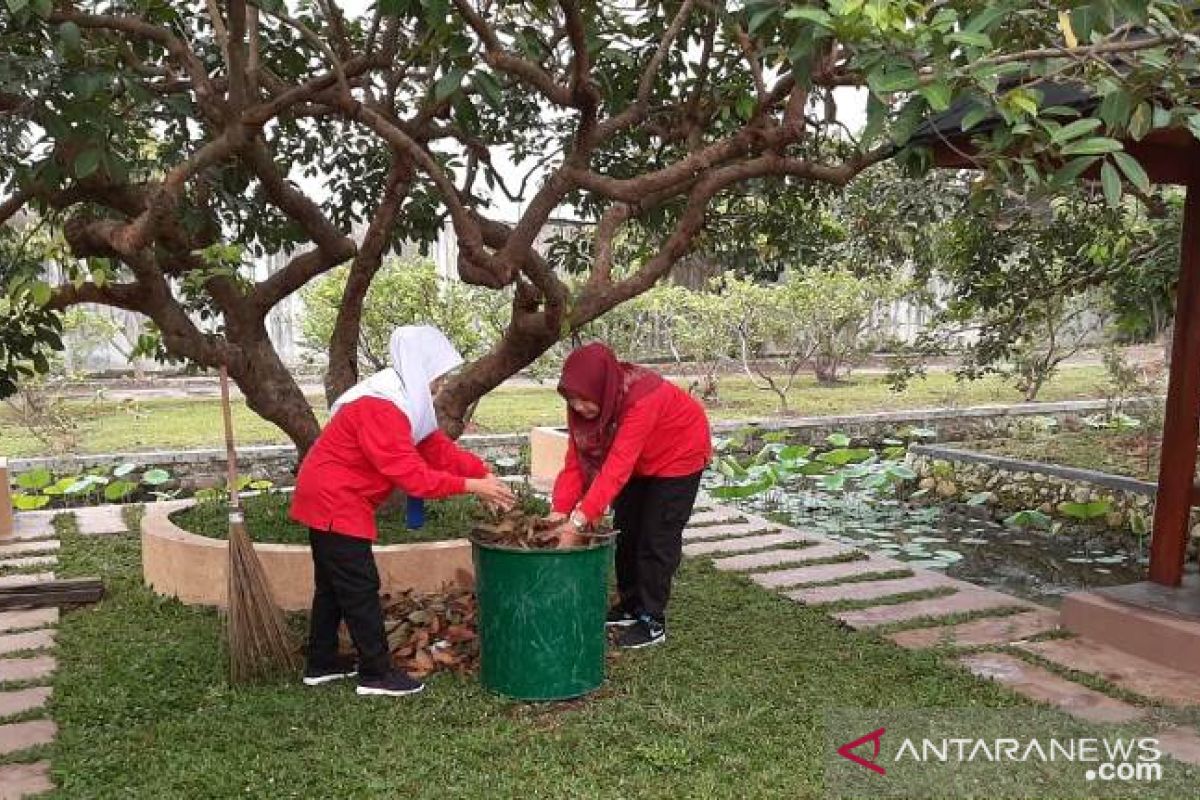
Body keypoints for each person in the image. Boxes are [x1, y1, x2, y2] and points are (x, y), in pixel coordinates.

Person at [290, 325, 515, 697]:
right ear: (419, 367)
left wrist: (482, 473)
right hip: (335, 499)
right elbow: (414, 478)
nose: (440, 385)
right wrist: (471, 487)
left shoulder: (404, 398)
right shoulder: (381, 406)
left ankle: (322, 662)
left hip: (333, 496)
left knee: (333, 586)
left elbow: (436, 450)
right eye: (437, 376)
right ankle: (376, 674)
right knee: (359, 587)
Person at [547, 343, 711, 649]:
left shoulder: (643, 398)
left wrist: (578, 521)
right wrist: (558, 512)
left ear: (603, 388)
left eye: (584, 400)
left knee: (656, 537)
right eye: (572, 400)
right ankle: (630, 605)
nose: (579, 408)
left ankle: (651, 619)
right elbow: (575, 461)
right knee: (628, 530)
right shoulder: (585, 406)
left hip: (679, 453)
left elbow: (617, 467)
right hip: (640, 460)